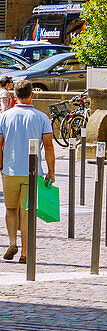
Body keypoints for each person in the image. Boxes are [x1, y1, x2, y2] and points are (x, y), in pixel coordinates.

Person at [0, 78, 55, 264]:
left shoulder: (5, 116)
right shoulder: (41, 117)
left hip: (10, 170)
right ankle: (25, 253)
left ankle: (12, 241)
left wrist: (1, 165)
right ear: (32, 95)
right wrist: (51, 171)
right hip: (33, 172)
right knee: (27, 212)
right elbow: (48, 147)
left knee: (10, 209)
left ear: (15, 96)